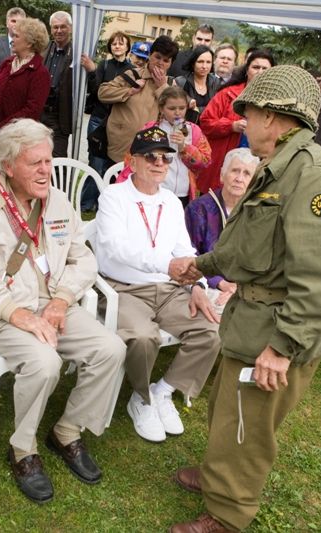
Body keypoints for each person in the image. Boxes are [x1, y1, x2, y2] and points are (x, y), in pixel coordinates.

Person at [168, 65, 321, 533]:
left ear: (273, 117)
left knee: (248, 425)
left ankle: (228, 514)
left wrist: (283, 348)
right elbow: (247, 242)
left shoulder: (313, 176)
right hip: (253, 317)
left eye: (248, 112)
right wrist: (204, 265)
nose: (243, 121)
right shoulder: (278, 166)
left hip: (279, 328)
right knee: (228, 407)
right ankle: (217, 476)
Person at [0, 119, 126, 504]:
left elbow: (83, 258)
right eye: (35, 163)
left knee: (111, 349)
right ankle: (23, 448)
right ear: (9, 166)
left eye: (48, 161)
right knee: (44, 363)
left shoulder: (58, 200)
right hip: (5, 313)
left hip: (54, 305)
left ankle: (66, 430)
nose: (46, 171)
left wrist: (63, 299)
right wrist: (20, 314)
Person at [95, 125, 221, 444]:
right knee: (142, 337)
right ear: (131, 161)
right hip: (124, 287)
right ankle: (141, 396)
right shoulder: (114, 195)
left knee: (211, 331)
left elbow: (184, 251)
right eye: (150, 157)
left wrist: (198, 286)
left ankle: (159, 392)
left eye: (166, 158)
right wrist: (165, 265)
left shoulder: (171, 201)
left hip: (168, 288)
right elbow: (114, 248)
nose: (159, 163)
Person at [184, 148, 258, 314]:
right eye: (235, 171)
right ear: (222, 175)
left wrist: (240, 287)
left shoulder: (258, 212)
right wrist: (220, 283)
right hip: (204, 283)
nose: (239, 178)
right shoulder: (199, 209)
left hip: (245, 286)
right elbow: (189, 254)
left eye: (247, 174)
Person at [115, 86, 212, 205]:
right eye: (171, 108)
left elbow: (206, 161)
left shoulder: (194, 130)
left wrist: (184, 148)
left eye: (182, 108)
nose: (177, 112)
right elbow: (132, 159)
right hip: (155, 190)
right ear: (161, 108)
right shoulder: (151, 129)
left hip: (184, 193)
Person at [198, 50, 275, 193]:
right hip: (223, 165)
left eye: (265, 69)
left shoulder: (277, 102)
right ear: (247, 70)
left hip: (257, 166)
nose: (260, 72)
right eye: (256, 67)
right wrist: (231, 125)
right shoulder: (227, 94)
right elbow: (206, 122)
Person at [98, 35, 178, 163]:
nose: (160, 63)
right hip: (119, 147)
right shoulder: (132, 74)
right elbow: (102, 92)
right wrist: (129, 91)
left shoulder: (171, 85)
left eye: (166, 60)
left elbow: (175, 116)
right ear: (150, 55)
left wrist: (162, 87)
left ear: (170, 64)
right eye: (157, 57)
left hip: (148, 151)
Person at [81, 31, 132, 181]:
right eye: (114, 43)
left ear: (127, 47)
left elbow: (129, 95)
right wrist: (92, 71)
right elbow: (97, 90)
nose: (117, 46)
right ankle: (87, 203)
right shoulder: (104, 65)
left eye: (121, 43)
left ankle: (105, 198)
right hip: (98, 118)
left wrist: (113, 93)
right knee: (95, 162)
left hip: (118, 122)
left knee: (112, 164)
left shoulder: (132, 69)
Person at [0, 16, 50, 128]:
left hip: (19, 135)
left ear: (29, 43)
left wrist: (1, 126)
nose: (12, 39)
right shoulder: (7, 63)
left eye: (16, 36)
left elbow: (31, 111)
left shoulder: (40, 73)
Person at [40, 11, 73, 157]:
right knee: (37, 155)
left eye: (63, 27)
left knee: (58, 161)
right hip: (40, 113)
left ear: (70, 28)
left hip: (60, 116)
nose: (59, 31)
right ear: (51, 29)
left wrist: (92, 70)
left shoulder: (77, 53)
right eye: (55, 27)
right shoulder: (43, 50)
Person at [173, 45, 220, 123]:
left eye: (208, 62)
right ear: (193, 63)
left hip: (209, 130)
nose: (204, 66)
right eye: (200, 62)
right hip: (184, 129)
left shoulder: (216, 83)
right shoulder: (180, 82)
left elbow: (218, 110)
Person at [0, 6, 25, 79]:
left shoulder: (29, 45)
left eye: (20, 22)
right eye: (13, 21)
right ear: (7, 23)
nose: (16, 24)